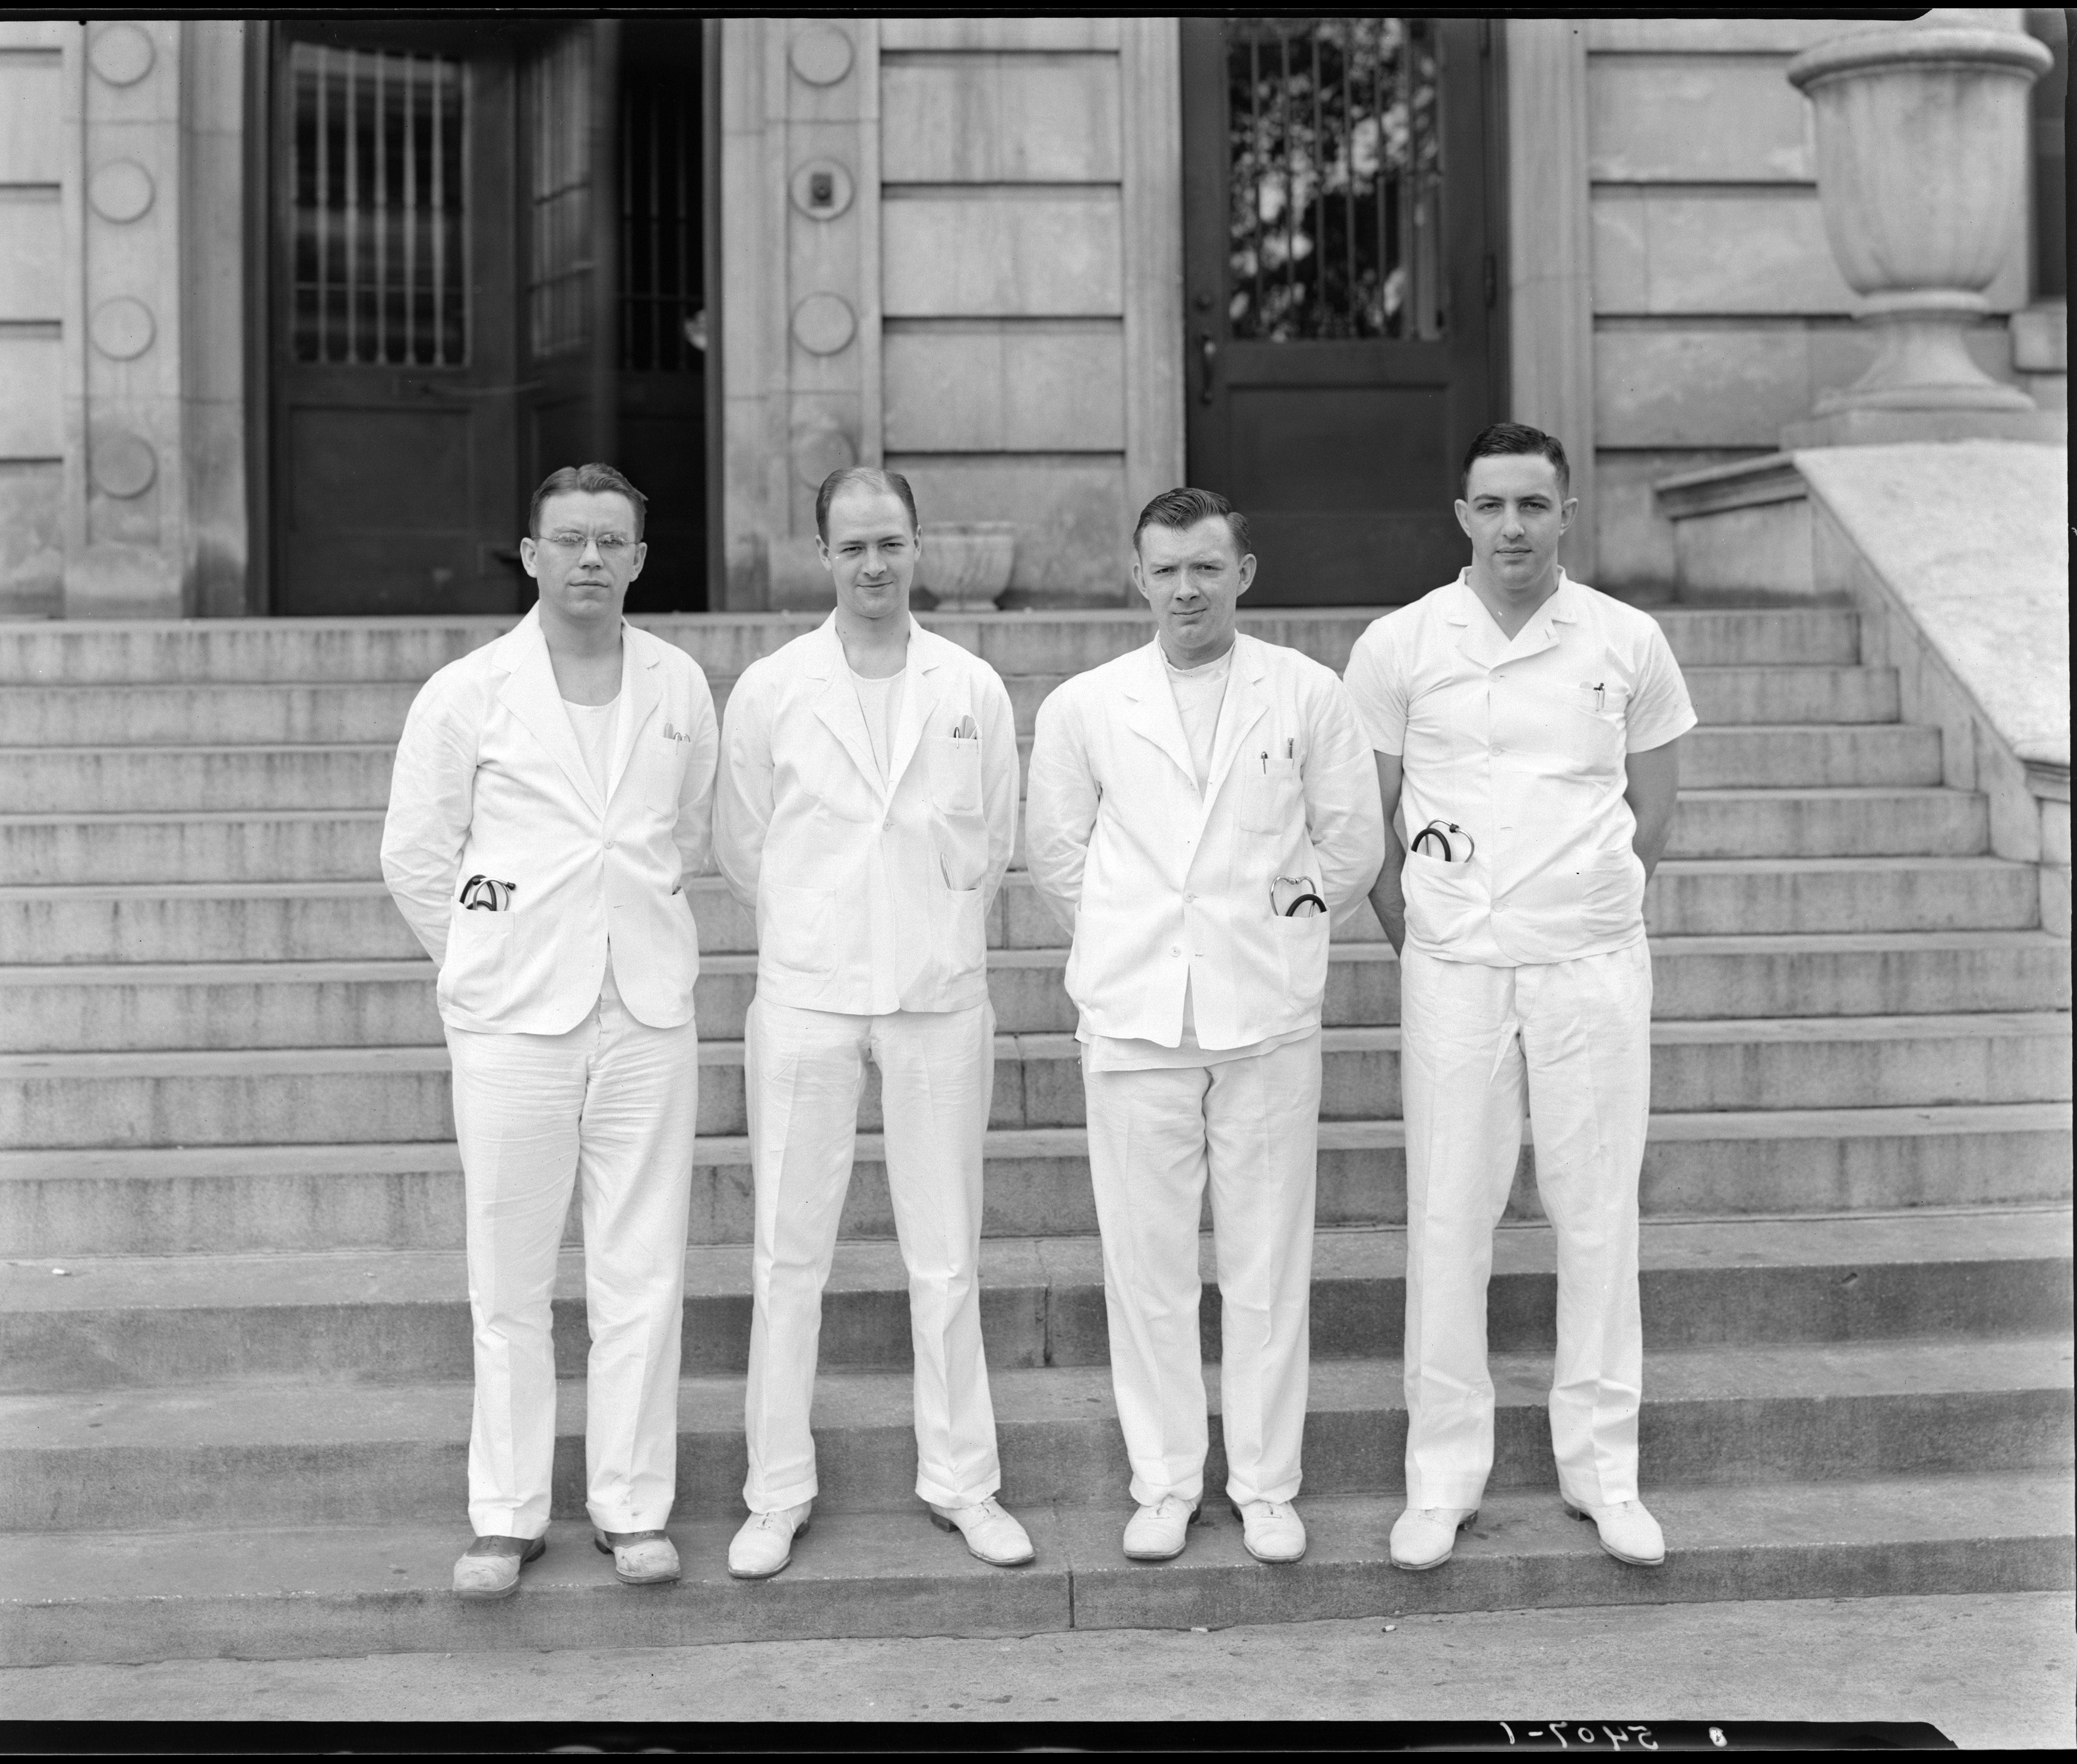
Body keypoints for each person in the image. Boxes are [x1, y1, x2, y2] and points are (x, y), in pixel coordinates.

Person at [1341, 422, 1696, 1573]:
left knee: (1597, 1211)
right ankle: (1441, 1478)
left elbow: (1653, 812)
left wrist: (1588, 902)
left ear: (1566, 515)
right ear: (1461, 516)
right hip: (1454, 966)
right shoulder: (1399, 645)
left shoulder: (1627, 640)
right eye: (1490, 506)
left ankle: (1604, 1472)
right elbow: (1368, 826)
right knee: (1450, 1215)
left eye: (1532, 506)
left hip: (1589, 963)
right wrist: (1427, 940)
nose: (1511, 528)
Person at [1025, 488, 1385, 1565]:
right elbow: (1058, 856)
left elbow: (1352, 842)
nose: (1186, 589)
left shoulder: (1308, 692)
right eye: (1167, 570)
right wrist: (1132, 936)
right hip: (1136, 1014)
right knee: (1148, 1269)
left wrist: (1281, 923)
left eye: (1206, 568)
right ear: (1137, 578)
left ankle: (1267, 1484)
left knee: (1267, 1262)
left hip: (1265, 1012)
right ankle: (1166, 1480)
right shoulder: (1086, 704)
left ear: (1244, 574)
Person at [381, 463, 720, 1599]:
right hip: (512, 1020)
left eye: (610, 541)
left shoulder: (679, 683)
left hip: (645, 1010)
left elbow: (684, 829)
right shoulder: (467, 692)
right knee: (510, 1276)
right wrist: (489, 958)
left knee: (643, 1270)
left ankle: (633, 1506)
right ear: (531, 555)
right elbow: (417, 856)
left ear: (639, 558)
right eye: (569, 539)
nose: (590, 559)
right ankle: (508, 1513)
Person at [712, 466, 1031, 1578]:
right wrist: (825, 920)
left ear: (918, 543)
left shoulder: (971, 684)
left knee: (945, 1255)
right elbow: (744, 845)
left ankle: (964, 1481)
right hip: (808, 993)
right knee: (787, 1256)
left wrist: (923, 918)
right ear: (823, 556)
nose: (874, 564)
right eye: (852, 547)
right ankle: (775, 1490)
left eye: (890, 542)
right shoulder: (771, 687)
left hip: (937, 993)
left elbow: (995, 837)